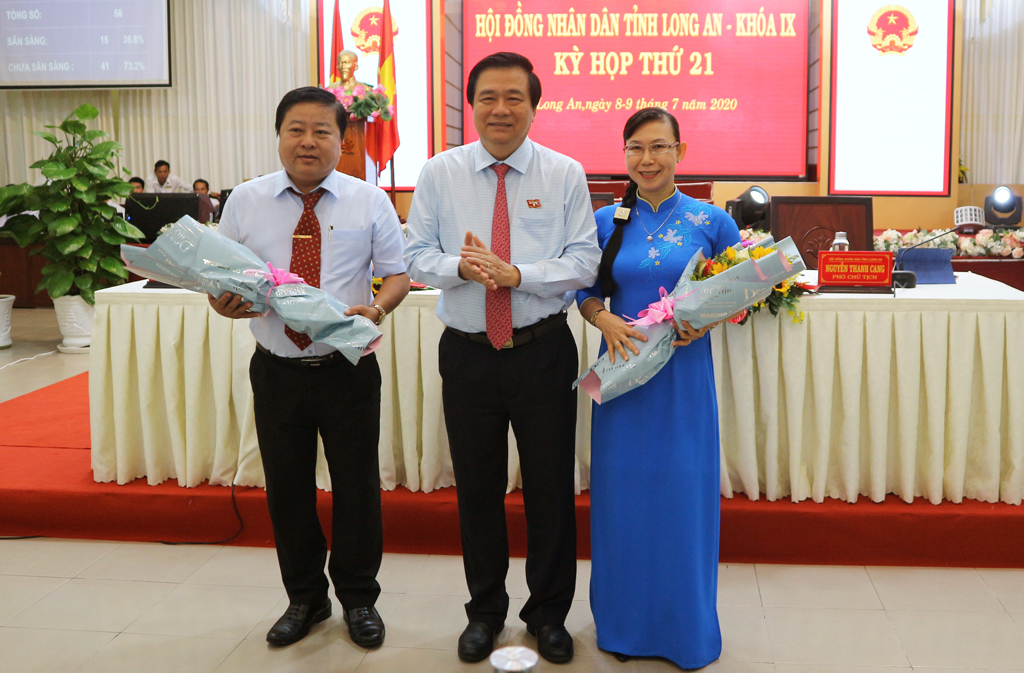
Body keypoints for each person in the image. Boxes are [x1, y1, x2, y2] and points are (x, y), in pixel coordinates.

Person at [404, 52, 600, 665]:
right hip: (466, 354)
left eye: (515, 97)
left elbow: (583, 263)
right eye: (488, 97)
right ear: (472, 105)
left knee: (549, 489)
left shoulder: (565, 173)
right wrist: (458, 267)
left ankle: (548, 615)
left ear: (534, 107)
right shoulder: (440, 172)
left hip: (541, 352)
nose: (501, 109)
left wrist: (517, 275)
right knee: (478, 490)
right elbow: (414, 257)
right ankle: (484, 611)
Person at [209, 86, 409, 649]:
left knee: (356, 487)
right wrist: (220, 299)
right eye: (296, 129)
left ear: (341, 141)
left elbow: (395, 276)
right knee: (287, 489)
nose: (308, 141)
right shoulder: (245, 201)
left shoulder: (367, 200)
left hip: (347, 367)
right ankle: (305, 598)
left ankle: (359, 599)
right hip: (276, 368)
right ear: (278, 136)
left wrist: (376, 307)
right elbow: (219, 278)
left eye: (322, 131)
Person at [576, 107, 741, 669]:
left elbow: (739, 292)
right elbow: (584, 292)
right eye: (636, 149)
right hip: (621, 375)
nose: (647, 159)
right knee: (622, 502)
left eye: (659, 147)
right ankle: (623, 627)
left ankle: (684, 631)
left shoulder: (713, 222)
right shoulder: (603, 222)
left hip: (682, 380)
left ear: (681, 151)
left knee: (681, 500)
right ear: (624, 156)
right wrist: (602, 320)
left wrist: (710, 318)